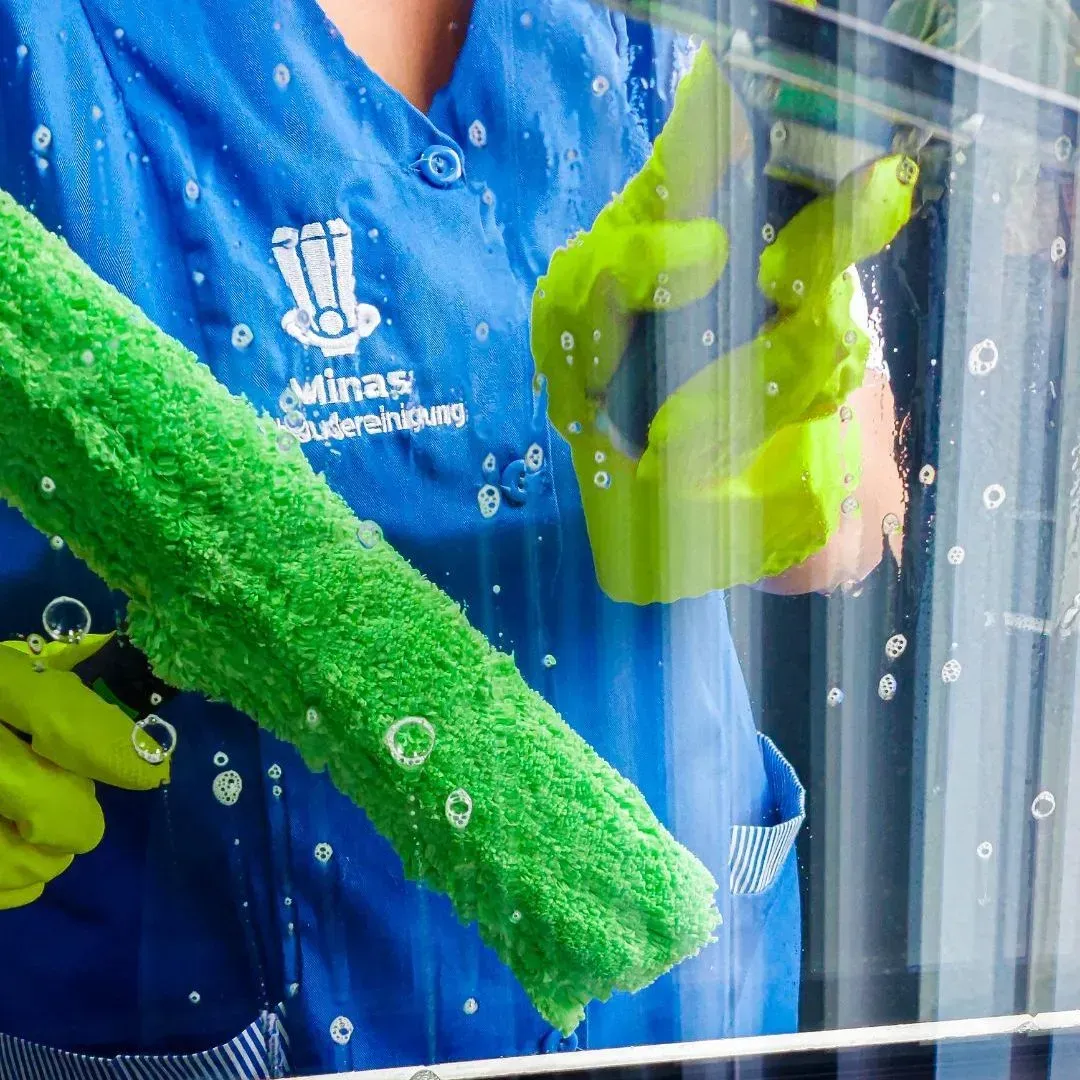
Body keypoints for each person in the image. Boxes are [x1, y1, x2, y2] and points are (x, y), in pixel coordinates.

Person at [0, 0, 905, 1076]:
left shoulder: (667, 20)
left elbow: (867, 507)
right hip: (212, 991)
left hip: (689, 996)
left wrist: (791, 458)